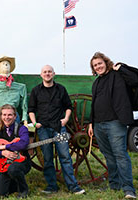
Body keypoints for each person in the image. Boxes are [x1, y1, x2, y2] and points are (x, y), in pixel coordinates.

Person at [28, 65, 85, 195]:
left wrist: (66, 119)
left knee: (65, 156)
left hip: (59, 128)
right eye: (45, 72)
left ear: (53, 74)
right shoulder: (36, 91)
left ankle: (73, 186)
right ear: (41, 75)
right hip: (43, 129)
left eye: (49, 72)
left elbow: (68, 106)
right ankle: (51, 186)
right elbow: (31, 109)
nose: (47, 74)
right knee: (47, 158)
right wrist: (34, 122)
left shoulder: (61, 89)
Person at [88, 52, 138, 199]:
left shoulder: (118, 76)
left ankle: (128, 189)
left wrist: (121, 69)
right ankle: (114, 185)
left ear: (106, 62)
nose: (98, 67)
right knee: (109, 157)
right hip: (98, 125)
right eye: (95, 65)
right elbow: (94, 104)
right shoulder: (96, 82)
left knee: (120, 155)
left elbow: (135, 80)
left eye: (100, 63)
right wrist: (91, 123)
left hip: (115, 122)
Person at [0, 56, 28, 190]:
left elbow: (24, 105)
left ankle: (14, 171)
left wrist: (25, 120)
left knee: (16, 143)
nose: (6, 66)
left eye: (8, 64)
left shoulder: (20, 87)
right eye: (3, 64)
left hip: (14, 116)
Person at [0, 104, 31, 198]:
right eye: (4, 115)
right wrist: (2, 153)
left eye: (10, 115)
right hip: (5, 163)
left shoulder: (22, 129)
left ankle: (23, 190)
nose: (7, 117)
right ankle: (14, 185)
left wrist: (6, 146)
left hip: (22, 163)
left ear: (15, 116)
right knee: (0, 194)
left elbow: (23, 143)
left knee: (13, 169)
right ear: (0, 116)